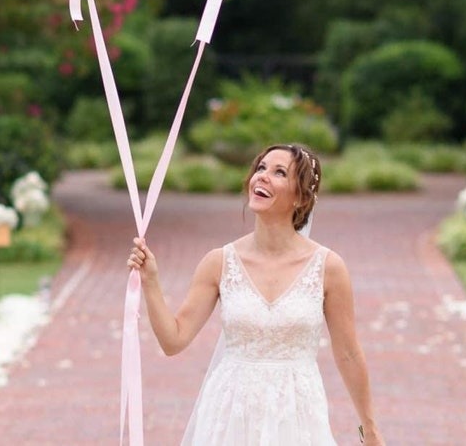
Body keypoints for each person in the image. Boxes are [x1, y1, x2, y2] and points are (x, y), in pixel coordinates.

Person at [127, 143, 385, 445]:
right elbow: (174, 340)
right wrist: (151, 281)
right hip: (230, 415)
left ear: (301, 197)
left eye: (278, 172)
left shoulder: (329, 267)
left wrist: (369, 428)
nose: (261, 177)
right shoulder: (219, 262)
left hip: (297, 415)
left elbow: (349, 354)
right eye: (260, 168)